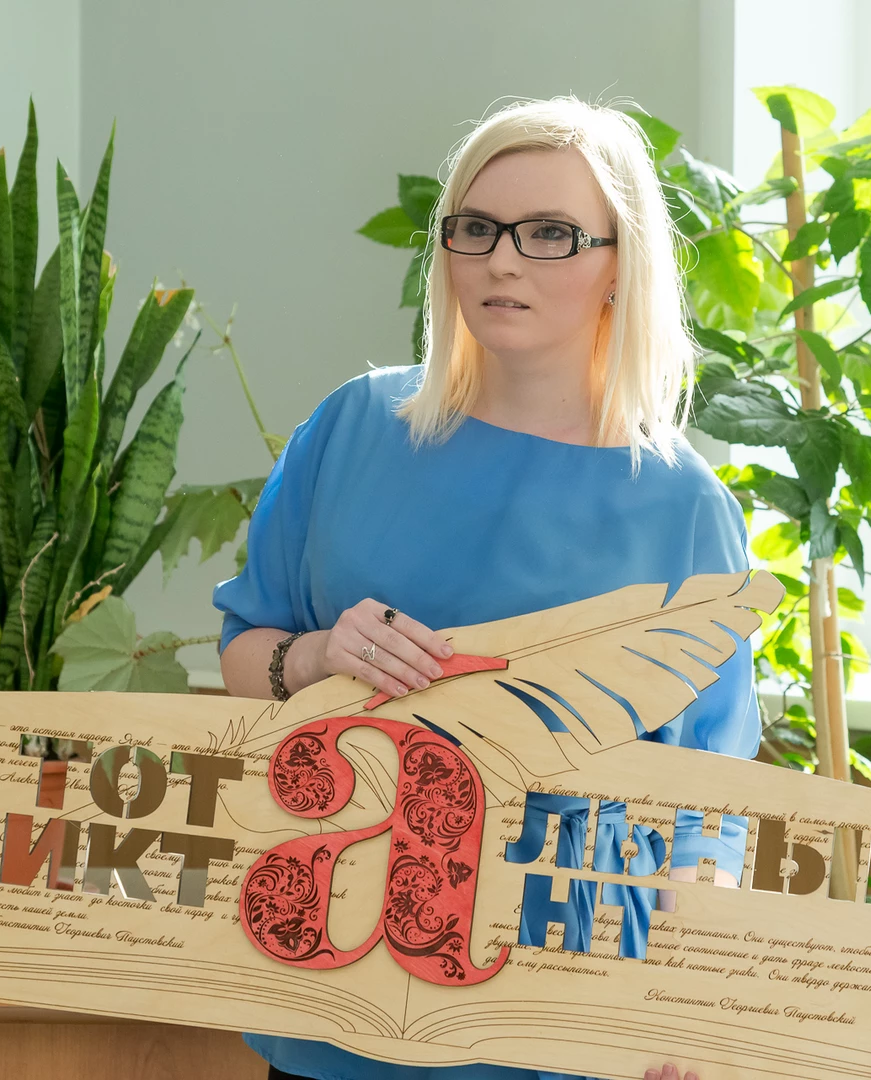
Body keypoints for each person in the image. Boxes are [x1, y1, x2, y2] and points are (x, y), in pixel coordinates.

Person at [212, 94, 758, 1080]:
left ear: (620, 264)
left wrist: (679, 1005)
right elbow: (245, 655)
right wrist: (320, 656)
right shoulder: (351, 428)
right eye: (477, 227)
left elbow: (709, 808)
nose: (503, 260)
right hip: (335, 975)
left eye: (549, 233)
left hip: (564, 1004)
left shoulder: (685, 506)